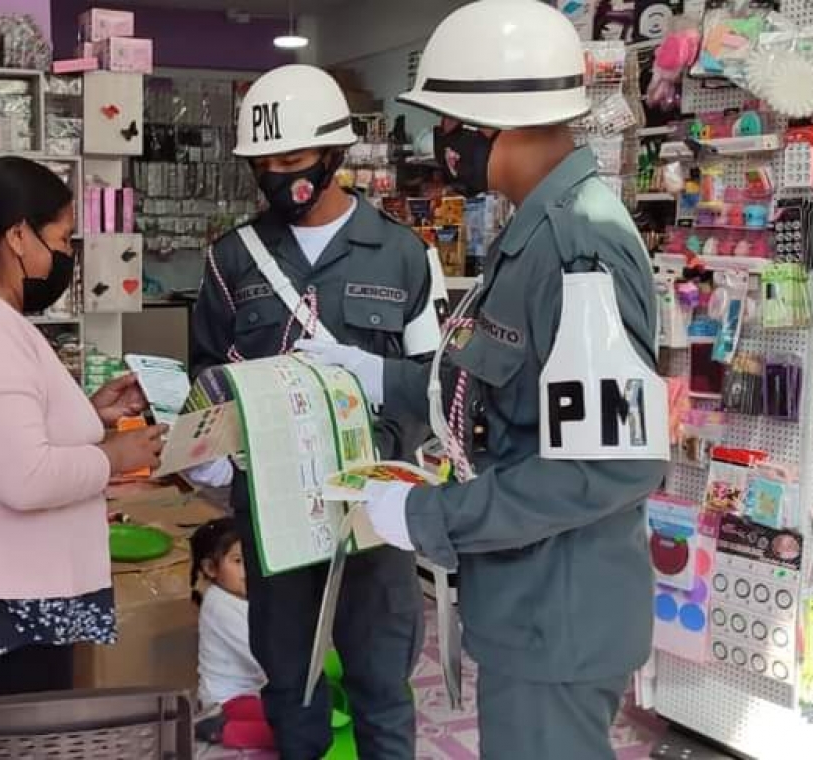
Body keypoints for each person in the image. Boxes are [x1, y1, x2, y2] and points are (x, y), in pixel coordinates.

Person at [299, 1, 668, 758]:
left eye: (447, 120)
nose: (442, 141)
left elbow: (610, 463)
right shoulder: (534, 229)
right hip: (528, 604)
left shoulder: (577, 247)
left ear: (489, 122)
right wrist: (381, 378)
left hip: (555, 616)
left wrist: (429, 518)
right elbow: (505, 389)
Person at [189, 63, 445, 759]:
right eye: (263, 162)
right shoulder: (230, 260)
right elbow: (205, 376)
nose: (277, 174)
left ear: (334, 153)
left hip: (375, 512)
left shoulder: (406, 255)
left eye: (293, 158)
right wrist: (207, 452)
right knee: (291, 685)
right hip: (272, 514)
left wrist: (382, 432)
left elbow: (438, 386)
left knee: (381, 684)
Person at [0, 156, 166, 699]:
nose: (67, 255)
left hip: (13, 594)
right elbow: (24, 477)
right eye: (63, 239)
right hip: (12, 608)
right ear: (19, 236)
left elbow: (5, 429)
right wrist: (116, 457)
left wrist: (90, 414)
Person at [190, 518, 274, 751]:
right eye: (238, 561)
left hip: (255, 694)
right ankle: (224, 729)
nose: (250, 569)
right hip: (228, 701)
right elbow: (264, 654)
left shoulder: (247, 597)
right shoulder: (219, 605)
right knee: (297, 728)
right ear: (210, 568)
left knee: (304, 718)